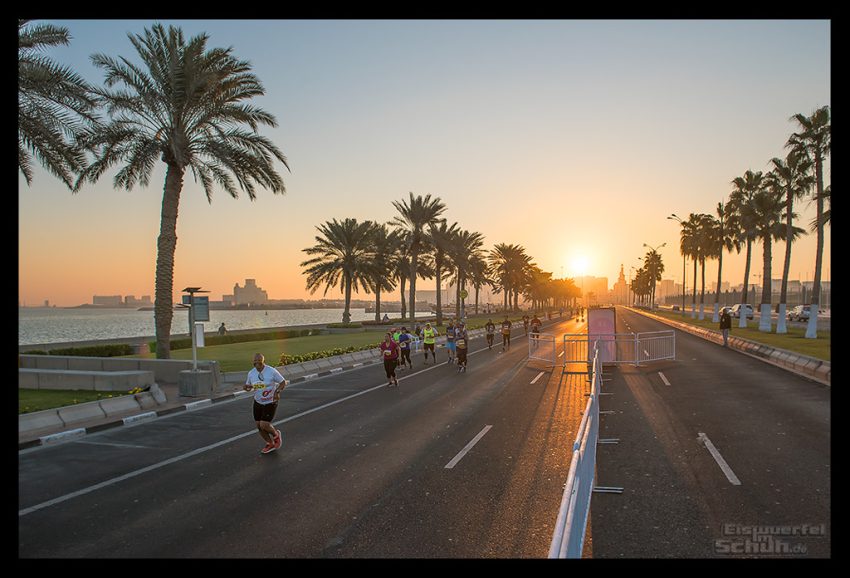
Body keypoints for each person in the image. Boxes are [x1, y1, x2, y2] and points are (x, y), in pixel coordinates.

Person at [243, 353, 286, 455]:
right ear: (253, 362)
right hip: (258, 402)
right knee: (259, 426)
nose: (257, 364)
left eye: (260, 362)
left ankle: (276, 435)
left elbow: (283, 382)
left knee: (264, 424)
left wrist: (277, 391)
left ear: (263, 362)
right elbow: (250, 386)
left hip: (270, 401)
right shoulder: (251, 373)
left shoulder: (271, 371)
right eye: (255, 362)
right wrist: (247, 388)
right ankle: (269, 443)